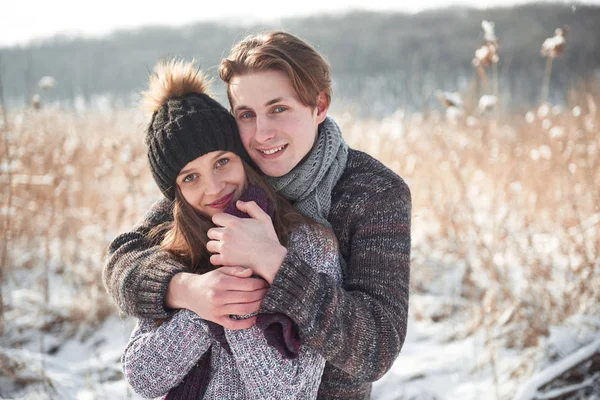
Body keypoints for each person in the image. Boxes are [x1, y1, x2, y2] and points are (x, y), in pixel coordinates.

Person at [104, 31, 411, 399]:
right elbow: (125, 257)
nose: (263, 134)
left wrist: (273, 263)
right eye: (246, 115)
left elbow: (377, 347)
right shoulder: (227, 176)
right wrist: (189, 290)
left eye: (278, 109)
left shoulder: (374, 193)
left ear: (320, 105)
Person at [121, 58, 342, 399]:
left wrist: (239, 290)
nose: (213, 188)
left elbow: (290, 392)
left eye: (222, 162)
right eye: (190, 178)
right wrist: (201, 301)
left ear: (244, 160)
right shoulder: (174, 252)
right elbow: (142, 378)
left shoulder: (309, 243)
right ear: (175, 193)